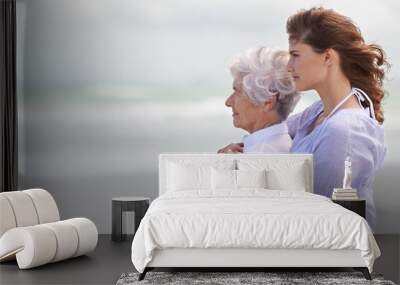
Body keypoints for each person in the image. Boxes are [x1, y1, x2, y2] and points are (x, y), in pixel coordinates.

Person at [285, 7, 389, 230]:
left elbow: (324, 215)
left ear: (327, 57)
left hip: (331, 255)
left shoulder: (344, 131)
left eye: (295, 55)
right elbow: (276, 132)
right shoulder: (318, 112)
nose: (288, 67)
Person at [218, 47, 300, 154]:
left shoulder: (259, 155)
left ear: (267, 102)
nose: (228, 102)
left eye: (237, 92)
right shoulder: (279, 144)